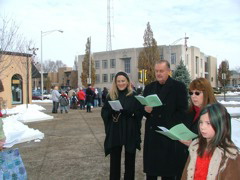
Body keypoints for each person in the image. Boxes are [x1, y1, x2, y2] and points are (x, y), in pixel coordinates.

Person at [143, 60, 188, 180]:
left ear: (169, 71)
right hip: (152, 137)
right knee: (151, 173)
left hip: (168, 136)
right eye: (157, 71)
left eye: (161, 71)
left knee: (167, 174)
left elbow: (182, 111)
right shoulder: (149, 88)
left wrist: (168, 123)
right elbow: (143, 111)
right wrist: (146, 111)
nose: (158, 73)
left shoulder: (178, 87)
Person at [101, 71, 143, 180]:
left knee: (130, 161)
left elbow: (139, 113)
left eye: (123, 81)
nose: (121, 83)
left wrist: (131, 113)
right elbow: (104, 112)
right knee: (114, 161)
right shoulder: (111, 96)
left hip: (130, 131)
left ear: (127, 82)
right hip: (116, 131)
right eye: (118, 81)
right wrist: (110, 112)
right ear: (115, 82)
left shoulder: (134, 96)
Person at [181, 103, 240, 179]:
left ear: (220, 125)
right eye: (201, 122)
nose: (202, 127)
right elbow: (185, 175)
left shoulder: (230, 155)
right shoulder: (195, 147)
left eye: (208, 123)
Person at [177, 78, 218, 178]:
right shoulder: (189, 112)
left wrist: (193, 144)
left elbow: (220, 141)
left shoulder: (217, 113)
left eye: (197, 93)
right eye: (191, 93)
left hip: (207, 165)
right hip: (186, 162)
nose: (193, 96)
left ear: (206, 93)